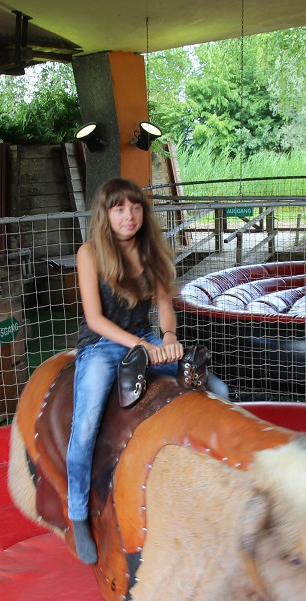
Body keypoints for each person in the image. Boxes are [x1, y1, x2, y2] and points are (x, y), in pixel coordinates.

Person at [66, 178, 226, 564]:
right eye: (119, 208)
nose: (129, 216)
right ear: (106, 214)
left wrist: (168, 337)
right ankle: (78, 514)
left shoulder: (150, 250)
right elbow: (95, 319)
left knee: (217, 388)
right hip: (102, 346)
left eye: (135, 208)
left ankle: (217, 483)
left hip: (144, 338)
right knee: (86, 423)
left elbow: (165, 305)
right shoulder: (89, 253)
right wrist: (144, 346)